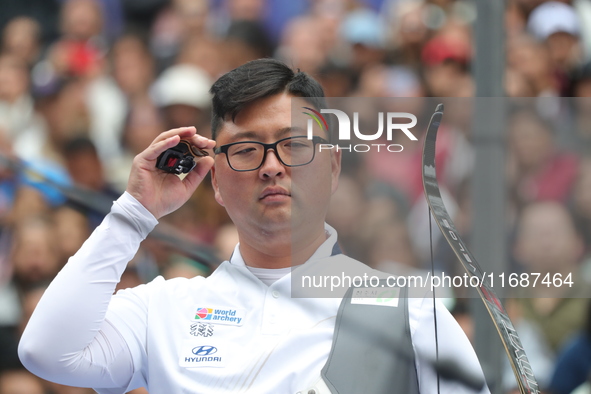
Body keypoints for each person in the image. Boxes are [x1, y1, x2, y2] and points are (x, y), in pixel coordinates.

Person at [17, 58, 487, 393]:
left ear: (333, 168)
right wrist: (135, 213)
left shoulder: (410, 312)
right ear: (215, 181)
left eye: (294, 146)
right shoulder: (166, 309)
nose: (271, 167)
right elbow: (47, 351)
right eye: (245, 150)